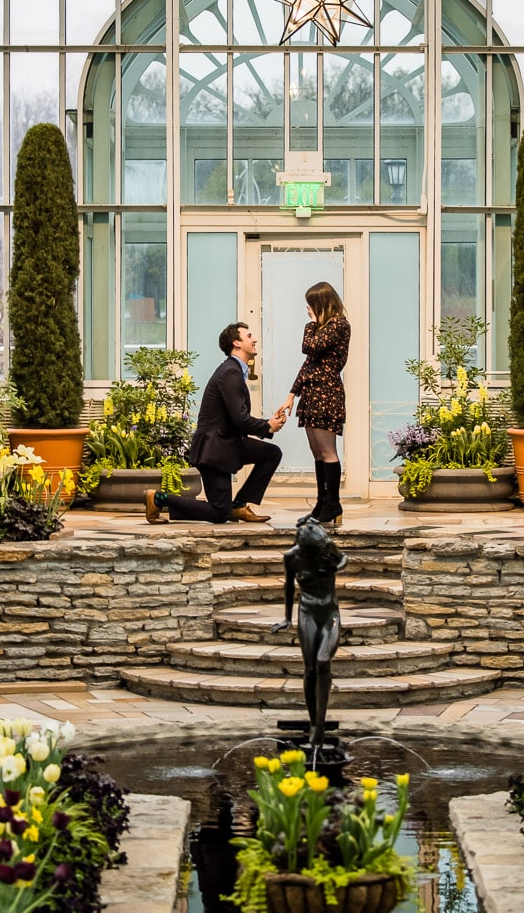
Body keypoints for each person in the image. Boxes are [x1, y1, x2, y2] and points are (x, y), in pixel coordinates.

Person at [145, 322, 286, 524]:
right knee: (219, 513)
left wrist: (268, 425)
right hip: (214, 450)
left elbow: (235, 420)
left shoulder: (235, 371)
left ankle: (238, 506)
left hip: (228, 444)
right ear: (236, 343)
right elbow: (240, 418)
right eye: (249, 336)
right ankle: (159, 499)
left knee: (271, 454)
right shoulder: (230, 372)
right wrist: (267, 426)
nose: (254, 339)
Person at [268, 520, 347, 752]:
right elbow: (289, 587)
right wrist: (287, 618)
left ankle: (320, 725)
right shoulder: (291, 557)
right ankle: (313, 722)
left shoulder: (327, 546)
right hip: (307, 612)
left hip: (330, 613)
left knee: (324, 661)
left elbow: (344, 558)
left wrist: (336, 567)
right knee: (310, 668)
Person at [276, 281, 350, 526]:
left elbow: (309, 346)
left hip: (326, 393)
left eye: (311, 304)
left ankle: (333, 504)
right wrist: (291, 395)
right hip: (312, 392)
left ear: (322, 304)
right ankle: (322, 503)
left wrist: (311, 324)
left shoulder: (338, 325)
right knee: (318, 452)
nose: (307, 309)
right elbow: (309, 364)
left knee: (328, 451)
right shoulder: (319, 328)